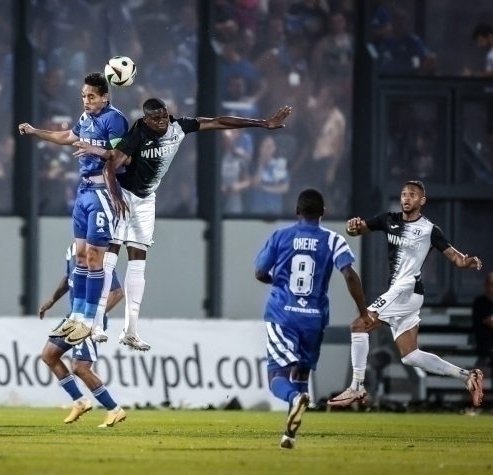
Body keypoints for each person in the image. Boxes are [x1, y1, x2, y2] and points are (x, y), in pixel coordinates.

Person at [74, 98, 292, 351]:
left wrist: (263, 123)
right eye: (155, 118)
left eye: (164, 115)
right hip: (124, 195)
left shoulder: (179, 127)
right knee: (110, 257)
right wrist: (114, 197)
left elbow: (219, 122)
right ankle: (96, 324)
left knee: (138, 261)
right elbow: (110, 166)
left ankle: (130, 330)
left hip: (146, 199)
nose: (161, 121)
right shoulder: (138, 133)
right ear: (146, 120)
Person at [328, 180, 485, 408]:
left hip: (406, 288)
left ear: (422, 200)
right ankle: (468, 376)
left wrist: (467, 261)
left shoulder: (430, 229)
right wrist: (352, 227)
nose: (407, 198)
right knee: (410, 355)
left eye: (412, 194)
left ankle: (357, 386)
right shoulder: (388, 219)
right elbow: (358, 230)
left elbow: (456, 258)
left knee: (359, 325)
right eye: (404, 194)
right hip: (404, 292)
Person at [19, 72, 129, 345]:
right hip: (83, 193)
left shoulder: (114, 119)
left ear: (104, 97)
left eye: (91, 96)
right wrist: (36, 132)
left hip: (103, 193)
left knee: (94, 258)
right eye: (83, 96)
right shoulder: (85, 118)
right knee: (80, 256)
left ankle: (90, 320)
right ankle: (77, 317)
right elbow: (68, 136)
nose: (86, 100)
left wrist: (93, 149)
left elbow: (122, 157)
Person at [254, 188, 369, 449]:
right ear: (323, 213)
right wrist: (363, 312)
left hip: (283, 315)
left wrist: (278, 282)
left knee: (277, 377)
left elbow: (260, 272)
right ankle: (289, 435)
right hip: (314, 319)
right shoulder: (333, 240)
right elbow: (350, 275)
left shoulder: (281, 236)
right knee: (301, 374)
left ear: (297, 211)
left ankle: (294, 399)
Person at [38, 242, 126, 427]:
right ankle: (80, 401)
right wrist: (52, 300)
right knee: (49, 355)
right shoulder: (72, 250)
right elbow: (68, 278)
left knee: (80, 367)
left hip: (89, 320)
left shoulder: (98, 254)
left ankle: (114, 409)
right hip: (73, 317)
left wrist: (95, 317)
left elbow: (117, 292)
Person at [471, 272, 493, 380]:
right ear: (485, 285)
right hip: (484, 353)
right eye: (490, 284)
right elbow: (484, 321)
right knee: (480, 384)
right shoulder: (479, 303)